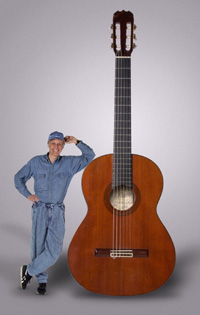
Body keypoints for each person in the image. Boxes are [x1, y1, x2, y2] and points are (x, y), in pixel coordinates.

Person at [14, 131, 95, 295]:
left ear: (63, 146)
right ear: (48, 144)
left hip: (57, 210)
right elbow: (18, 178)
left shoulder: (70, 163)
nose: (56, 147)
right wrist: (28, 195)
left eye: (60, 144)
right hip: (40, 208)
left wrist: (77, 142)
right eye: (53, 143)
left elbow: (89, 156)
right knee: (38, 247)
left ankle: (28, 271)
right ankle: (42, 281)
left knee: (54, 250)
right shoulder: (36, 162)